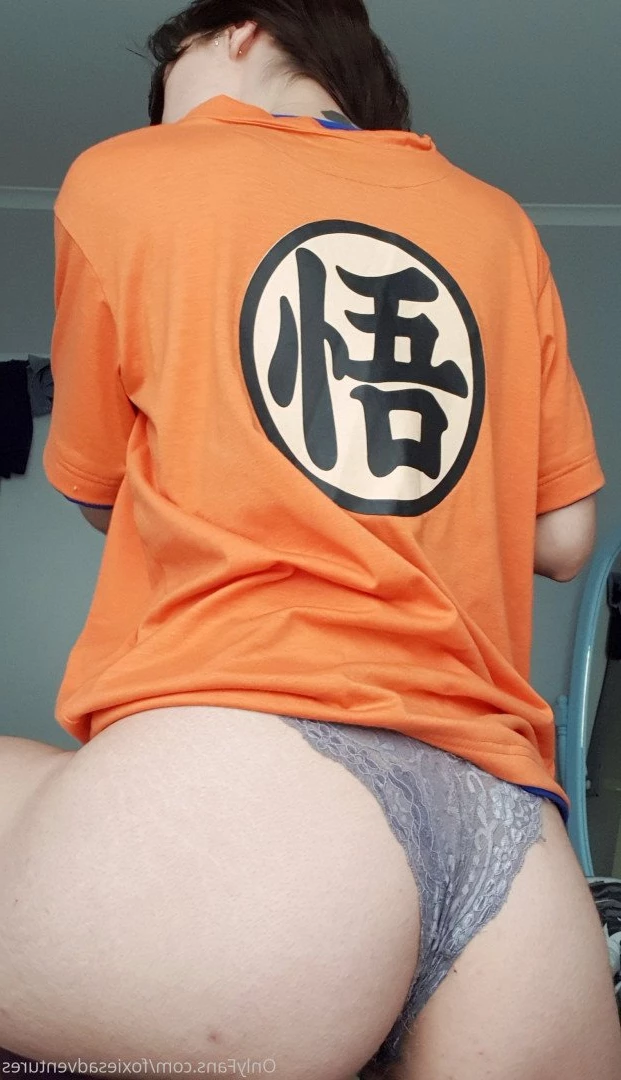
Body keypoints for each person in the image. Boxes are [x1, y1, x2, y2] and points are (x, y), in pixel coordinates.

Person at [1, 2, 619, 1077]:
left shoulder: (129, 172)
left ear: (238, 31)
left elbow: (98, 492)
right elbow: (567, 536)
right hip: (508, 828)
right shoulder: (495, 221)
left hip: (256, 767)